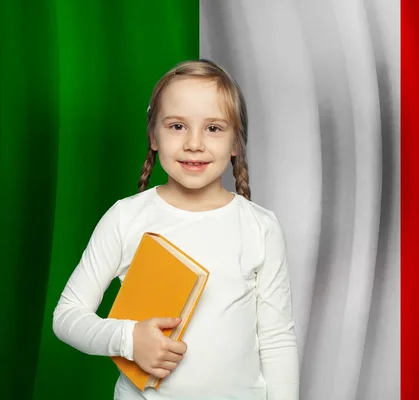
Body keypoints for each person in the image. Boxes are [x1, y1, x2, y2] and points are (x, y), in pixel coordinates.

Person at [53, 59, 299, 400]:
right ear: (154, 135)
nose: (194, 143)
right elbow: (67, 317)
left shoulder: (261, 227)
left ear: (235, 144)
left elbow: (276, 339)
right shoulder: (126, 218)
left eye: (213, 128)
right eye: (177, 126)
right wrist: (129, 339)